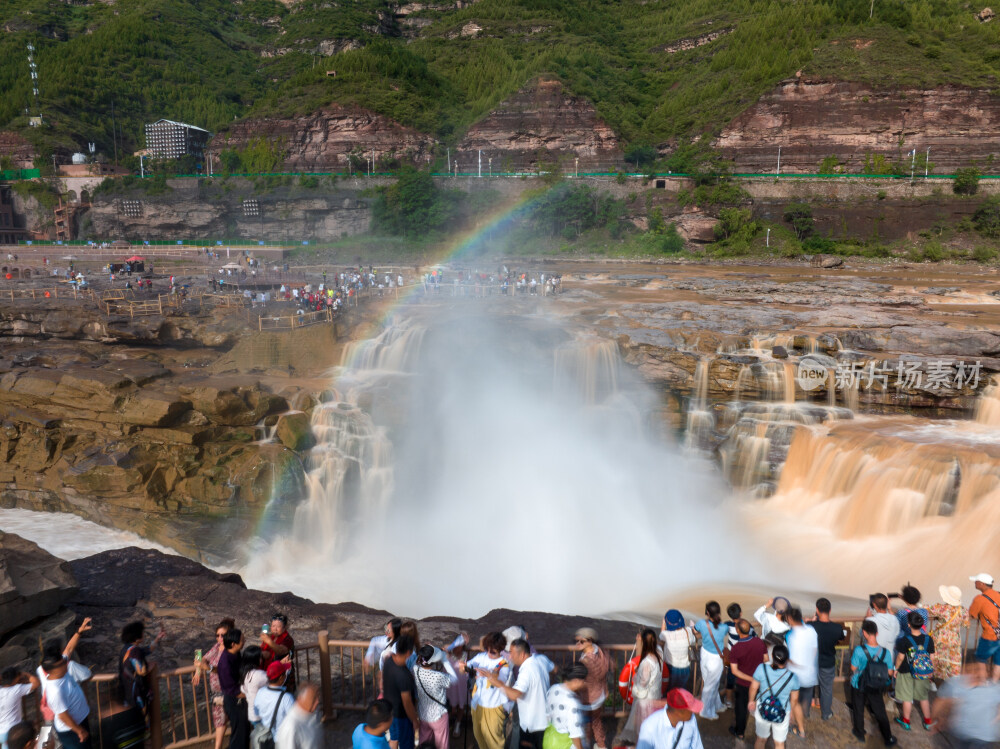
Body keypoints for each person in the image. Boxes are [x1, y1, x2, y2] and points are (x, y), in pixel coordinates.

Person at [482, 638, 550, 749]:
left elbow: (515, 695)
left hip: (531, 724)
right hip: (545, 720)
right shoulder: (541, 659)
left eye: (512, 653)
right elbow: (554, 669)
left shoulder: (526, 671)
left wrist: (496, 682)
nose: (510, 657)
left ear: (522, 654)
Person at [848, 620, 896, 746]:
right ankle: (888, 737)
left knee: (858, 708)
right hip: (876, 685)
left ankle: (859, 733)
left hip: (859, 684)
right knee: (880, 711)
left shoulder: (859, 650)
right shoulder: (885, 652)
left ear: (864, 633)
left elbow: (853, 668)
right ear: (877, 633)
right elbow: (890, 672)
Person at [932, 661, 1000, 748]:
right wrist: (994, 720)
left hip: (964, 731)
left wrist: (936, 719)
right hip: (983, 734)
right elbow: (941, 702)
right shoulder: (994, 688)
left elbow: (940, 702)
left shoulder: (957, 683)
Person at [39, 641, 94, 749]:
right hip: (71, 730)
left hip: (80, 721)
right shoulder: (55, 690)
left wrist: (79, 633)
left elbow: (69, 649)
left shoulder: (61, 671)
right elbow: (62, 715)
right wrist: (79, 731)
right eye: (62, 664)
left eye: (64, 661)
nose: (65, 664)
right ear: (51, 670)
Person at [192, 618, 235, 749]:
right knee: (220, 722)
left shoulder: (231, 650)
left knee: (231, 720)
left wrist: (207, 668)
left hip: (228, 691)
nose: (220, 638)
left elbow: (223, 669)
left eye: (223, 635)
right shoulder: (217, 647)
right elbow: (202, 657)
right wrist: (198, 671)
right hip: (217, 693)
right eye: (217, 635)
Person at [463, 632, 510, 749]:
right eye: (487, 649)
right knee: (479, 736)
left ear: (500, 649)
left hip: (493, 707)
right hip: (477, 704)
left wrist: (489, 676)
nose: (488, 653)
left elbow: (501, 684)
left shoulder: (503, 664)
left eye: (492, 652)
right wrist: (466, 668)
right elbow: (468, 665)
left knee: (494, 741)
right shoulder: (481, 657)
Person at [748, 644, 799, 749]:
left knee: (761, 739)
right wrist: (792, 713)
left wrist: (751, 701)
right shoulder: (793, 677)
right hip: (783, 711)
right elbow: (794, 699)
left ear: (772, 656)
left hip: (763, 708)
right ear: (787, 660)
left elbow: (753, 687)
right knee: (779, 743)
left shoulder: (761, 668)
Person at [616, 629, 662, 746]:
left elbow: (643, 683)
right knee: (650, 726)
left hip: (645, 700)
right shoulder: (659, 655)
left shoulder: (646, 662)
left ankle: (641, 745)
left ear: (643, 643)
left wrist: (636, 678)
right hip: (655, 696)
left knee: (641, 726)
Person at [894, 610, 936, 731]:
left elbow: (900, 657)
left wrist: (896, 669)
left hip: (906, 671)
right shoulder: (928, 639)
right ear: (922, 624)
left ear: (909, 624)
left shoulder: (905, 640)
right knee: (923, 697)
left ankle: (906, 721)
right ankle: (928, 721)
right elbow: (932, 657)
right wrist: (930, 671)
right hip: (923, 671)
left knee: (907, 697)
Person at [806, 597, 846, 721]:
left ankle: (805, 712)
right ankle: (826, 713)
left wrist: (811, 621)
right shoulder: (837, 628)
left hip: (812, 663)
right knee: (827, 689)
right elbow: (841, 638)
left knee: (808, 687)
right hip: (828, 663)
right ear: (830, 610)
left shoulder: (810, 626)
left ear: (817, 610)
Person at [728, 619, 767, 741]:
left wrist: (751, 678)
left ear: (737, 631)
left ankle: (740, 733)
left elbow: (734, 671)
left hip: (743, 683)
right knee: (760, 705)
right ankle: (762, 732)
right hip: (760, 682)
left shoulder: (736, 648)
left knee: (741, 708)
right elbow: (766, 659)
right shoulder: (759, 642)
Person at [411, 646, 457, 749]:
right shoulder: (438, 676)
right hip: (439, 715)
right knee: (442, 745)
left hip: (423, 714)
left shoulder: (415, 670)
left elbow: (415, 663)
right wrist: (444, 659)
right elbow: (454, 679)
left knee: (424, 744)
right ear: (433, 661)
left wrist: (423, 653)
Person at [573, 628, 610, 749]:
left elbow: (582, 681)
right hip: (599, 695)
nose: (578, 644)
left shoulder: (586, 661)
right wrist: (605, 689)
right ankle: (601, 745)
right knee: (596, 723)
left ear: (590, 641)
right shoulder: (599, 651)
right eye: (576, 641)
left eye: (581, 641)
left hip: (588, 699)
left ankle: (586, 745)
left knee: (584, 726)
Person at [784, 607, 817, 738]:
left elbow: (791, 659)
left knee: (794, 702)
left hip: (795, 676)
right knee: (804, 700)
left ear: (790, 619)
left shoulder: (790, 636)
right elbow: (814, 651)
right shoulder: (811, 630)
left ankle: (799, 728)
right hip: (810, 673)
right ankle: (801, 718)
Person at [118, 621, 165, 712]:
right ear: (136, 638)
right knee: (140, 715)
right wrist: (152, 666)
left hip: (126, 691)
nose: (144, 634)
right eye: (142, 633)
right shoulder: (135, 651)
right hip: (136, 691)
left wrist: (158, 638)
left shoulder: (126, 648)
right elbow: (142, 671)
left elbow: (147, 650)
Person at [382, 634, 419, 749]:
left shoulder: (388, 661)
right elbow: (407, 702)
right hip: (402, 717)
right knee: (406, 744)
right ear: (408, 653)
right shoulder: (404, 676)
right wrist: (414, 720)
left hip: (390, 711)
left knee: (394, 738)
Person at [693, 602, 729, 720]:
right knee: (712, 685)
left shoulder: (701, 623)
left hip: (705, 654)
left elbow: (695, 631)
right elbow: (722, 631)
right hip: (716, 658)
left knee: (709, 683)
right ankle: (706, 711)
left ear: (707, 613)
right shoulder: (724, 627)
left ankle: (716, 705)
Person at [635, 688, 704, 749]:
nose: (694, 713)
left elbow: (697, 746)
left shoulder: (691, 720)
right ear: (679, 712)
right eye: (690, 710)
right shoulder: (650, 726)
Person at [543, 663, 588, 749]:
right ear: (576, 681)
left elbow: (547, 714)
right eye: (584, 681)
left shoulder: (553, 689)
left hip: (550, 740)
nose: (584, 684)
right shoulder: (572, 703)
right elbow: (575, 733)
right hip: (566, 745)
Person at [217, 628, 249, 749]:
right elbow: (233, 690)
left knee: (244, 732)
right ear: (233, 644)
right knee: (239, 735)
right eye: (242, 640)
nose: (244, 642)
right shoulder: (226, 663)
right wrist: (252, 694)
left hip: (240, 698)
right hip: (234, 701)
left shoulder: (235, 654)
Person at [930, 584, 969, 680]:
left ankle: (934, 680)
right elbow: (966, 624)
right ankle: (952, 681)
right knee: (952, 659)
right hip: (954, 640)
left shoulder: (941, 608)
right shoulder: (963, 610)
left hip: (940, 638)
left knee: (937, 658)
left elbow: (927, 608)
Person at [968, 572, 1000, 680]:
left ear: (982, 583)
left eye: (976, 581)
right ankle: (994, 684)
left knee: (980, 659)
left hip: (990, 635)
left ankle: (983, 684)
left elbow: (971, 614)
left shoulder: (980, 599)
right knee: (998, 662)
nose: (975, 583)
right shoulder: (998, 595)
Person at [253, 661, 295, 739]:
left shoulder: (260, 692)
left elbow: (256, 712)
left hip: (265, 737)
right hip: (282, 739)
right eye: (285, 673)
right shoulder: (287, 698)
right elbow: (295, 720)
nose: (286, 674)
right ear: (281, 678)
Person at [0, 668, 39, 749]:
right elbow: (36, 682)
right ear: (16, 678)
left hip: (1, 732)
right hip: (14, 733)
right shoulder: (16, 689)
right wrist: (26, 674)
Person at [275, 683, 322, 749]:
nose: (317, 701)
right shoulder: (291, 727)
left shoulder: (313, 714)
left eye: (317, 697)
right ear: (300, 699)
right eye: (313, 698)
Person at [660, 610, 695, 691]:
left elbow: (661, 635)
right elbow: (693, 640)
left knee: (669, 689)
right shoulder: (688, 632)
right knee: (681, 689)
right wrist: (691, 627)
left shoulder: (666, 635)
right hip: (685, 667)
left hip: (670, 667)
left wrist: (663, 624)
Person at [261, 614, 295, 690]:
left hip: (282, 675)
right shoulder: (271, 637)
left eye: (278, 626)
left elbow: (281, 651)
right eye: (273, 626)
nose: (275, 629)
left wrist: (269, 641)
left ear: (284, 627)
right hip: (271, 673)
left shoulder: (288, 639)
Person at [241, 646, 268, 725]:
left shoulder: (245, 673)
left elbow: (243, 689)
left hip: (252, 714)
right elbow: (275, 681)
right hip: (260, 715)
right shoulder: (259, 675)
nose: (261, 659)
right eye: (260, 657)